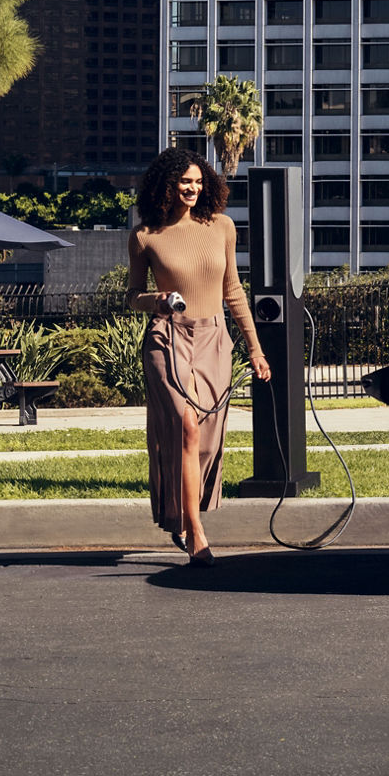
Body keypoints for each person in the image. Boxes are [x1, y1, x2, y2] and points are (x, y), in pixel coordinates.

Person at [126, 148, 270, 565]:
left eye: (198, 181)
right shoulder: (144, 235)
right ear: (165, 186)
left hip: (213, 338)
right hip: (166, 338)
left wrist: (255, 350)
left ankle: (186, 516)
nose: (192, 188)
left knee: (206, 440)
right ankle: (196, 533)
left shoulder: (222, 227)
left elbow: (234, 292)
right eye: (184, 182)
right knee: (185, 428)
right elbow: (132, 296)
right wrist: (159, 299)